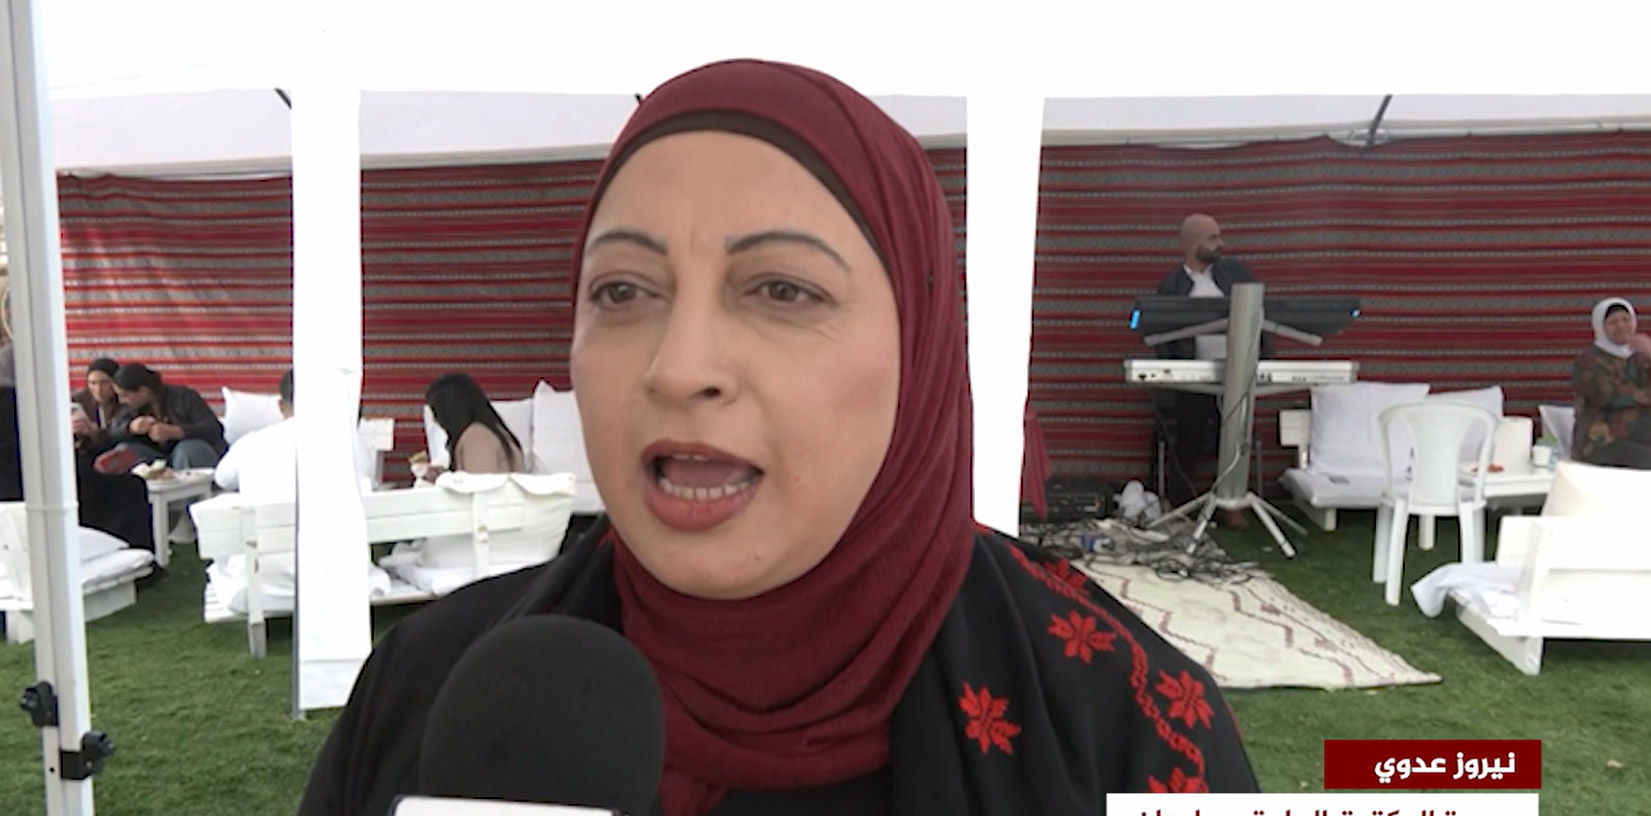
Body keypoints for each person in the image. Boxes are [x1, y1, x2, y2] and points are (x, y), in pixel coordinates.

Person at [297, 59, 1256, 816]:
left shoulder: (1131, 725)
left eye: (782, 290)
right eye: (622, 290)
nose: (678, 367)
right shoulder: (425, 686)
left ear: (920, 347)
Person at [209, 368, 388, 614]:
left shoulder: (251, 443)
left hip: (263, 584)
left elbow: (222, 479)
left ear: (281, 406)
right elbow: (367, 484)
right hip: (339, 578)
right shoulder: (348, 443)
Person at [1151, 214, 1270, 528]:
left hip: (1236, 373)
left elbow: (1258, 312)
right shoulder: (1172, 285)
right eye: (1212, 238)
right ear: (1192, 244)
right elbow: (1161, 332)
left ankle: (1231, 503)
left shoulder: (1234, 274)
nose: (1221, 244)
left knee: (1233, 439)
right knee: (1189, 438)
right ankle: (1178, 503)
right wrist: (1171, 374)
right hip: (1194, 377)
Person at [0, 347, 154, 553]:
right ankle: (129, 553)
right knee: (127, 487)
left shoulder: (23, 400)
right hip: (38, 486)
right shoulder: (17, 402)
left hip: (35, 479)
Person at [1570, 297, 1651, 469]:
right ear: (1601, 327)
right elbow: (1610, 396)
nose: (1621, 326)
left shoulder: (1640, 356)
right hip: (1602, 441)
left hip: (1640, 435)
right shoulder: (1588, 361)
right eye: (1613, 322)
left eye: (1625, 320)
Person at [106, 363, 227, 469]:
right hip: (157, 458)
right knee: (124, 451)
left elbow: (214, 429)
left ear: (143, 391)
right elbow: (112, 434)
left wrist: (176, 432)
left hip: (189, 455)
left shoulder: (183, 397)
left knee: (188, 449)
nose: (121, 400)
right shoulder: (128, 407)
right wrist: (130, 428)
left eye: (125, 395)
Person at [420, 373, 527, 478]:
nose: (435, 420)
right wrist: (444, 477)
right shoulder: (486, 433)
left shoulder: (477, 438)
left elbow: (479, 486)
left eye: (436, 412)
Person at [71, 357, 122, 453]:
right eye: (93, 383)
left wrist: (95, 433)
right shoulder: (79, 400)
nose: (98, 389)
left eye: (104, 383)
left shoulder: (125, 400)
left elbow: (122, 435)